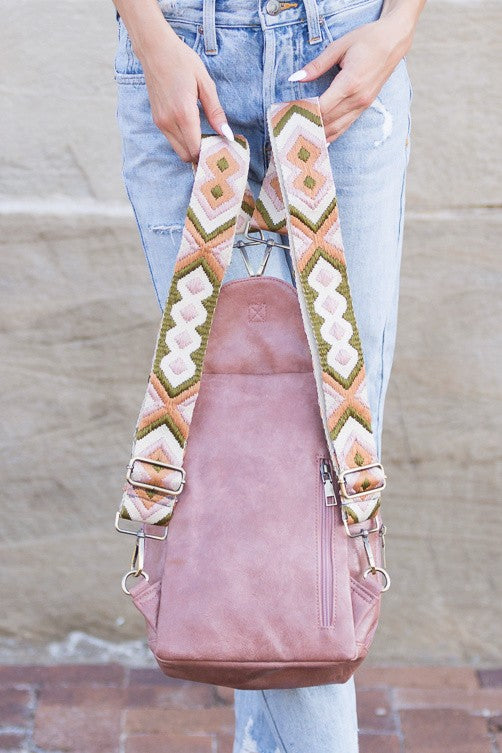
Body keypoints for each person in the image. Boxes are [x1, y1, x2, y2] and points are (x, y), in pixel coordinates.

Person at [110, 0, 425, 749]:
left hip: (343, 56)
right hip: (185, 54)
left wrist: (399, 27)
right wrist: (150, 38)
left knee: (323, 480)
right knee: (236, 468)